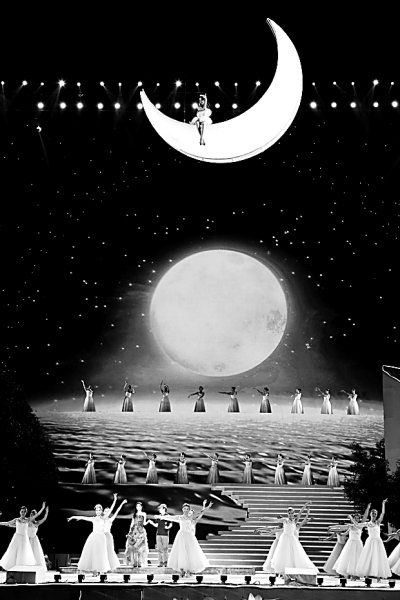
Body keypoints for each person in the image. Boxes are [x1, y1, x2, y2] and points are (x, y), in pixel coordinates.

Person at [155, 499, 212, 577]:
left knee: (189, 552)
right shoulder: (180, 517)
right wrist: (159, 516)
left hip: (189, 536)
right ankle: (182, 569)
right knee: (182, 552)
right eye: (185, 508)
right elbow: (170, 517)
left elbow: (201, 513)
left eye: (187, 509)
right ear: (182, 509)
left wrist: (207, 506)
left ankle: (188, 570)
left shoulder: (191, 517)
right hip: (181, 535)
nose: (186, 510)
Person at [260, 503, 317, 574]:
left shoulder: (295, 521)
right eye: (289, 513)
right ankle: (284, 572)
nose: (290, 515)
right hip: (285, 538)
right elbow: (275, 520)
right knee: (284, 554)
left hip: (292, 539)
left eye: (291, 513)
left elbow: (300, 512)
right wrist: (265, 518)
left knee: (294, 554)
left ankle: (293, 571)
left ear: (293, 513)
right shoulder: (285, 520)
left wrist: (305, 506)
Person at [0, 503, 46, 570]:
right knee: (12, 552)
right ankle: (13, 568)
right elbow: (7, 523)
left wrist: (42, 508)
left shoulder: (28, 520)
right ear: (20, 512)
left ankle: (21, 569)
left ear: (26, 512)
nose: (23, 513)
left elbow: (37, 514)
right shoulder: (16, 520)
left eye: (24, 512)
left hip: (24, 539)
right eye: (22, 511)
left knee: (23, 554)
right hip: (16, 537)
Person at [67, 504, 110, 575]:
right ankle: (95, 571)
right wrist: (73, 517)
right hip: (94, 537)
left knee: (101, 554)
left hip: (101, 537)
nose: (98, 512)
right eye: (96, 510)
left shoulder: (104, 518)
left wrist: (115, 499)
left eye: (99, 510)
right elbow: (83, 517)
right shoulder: (93, 519)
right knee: (94, 554)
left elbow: (111, 509)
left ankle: (101, 570)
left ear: (102, 511)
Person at [331, 504, 371, 579]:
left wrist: (367, 508)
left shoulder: (360, 525)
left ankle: (357, 574)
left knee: (358, 558)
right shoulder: (350, 526)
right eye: (355, 518)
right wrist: (337, 532)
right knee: (350, 558)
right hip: (351, 543)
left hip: (358, 543)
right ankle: (351, 574)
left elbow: (365, 517)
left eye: (358, 518)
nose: (356, 519)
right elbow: (344, 533)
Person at [355, 499, 391, 581]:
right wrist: (367, 508)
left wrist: (383, 504)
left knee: (378, 557)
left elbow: (383, 513)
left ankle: (378, 576)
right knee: (368, 557)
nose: (374, 514)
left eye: (375, 513)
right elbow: (359, 524)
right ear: (370, 514)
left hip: (378, 541)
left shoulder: (378, 522)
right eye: (373, 513)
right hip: (370, 541)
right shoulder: (368, 523)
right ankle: (367, 575)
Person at [102, 494, 127, 571]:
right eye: (105, 511)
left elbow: (117, 511)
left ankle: (108, 565)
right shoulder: (101, 519)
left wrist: (121, 503)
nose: (107, 512)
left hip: (108, 536)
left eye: (108, 511)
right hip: (101, 536)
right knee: (101, 551)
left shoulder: (110, 519)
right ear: (103, 512)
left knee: (109, 551)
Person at [125, 502, 149, 567]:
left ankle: (140, 562)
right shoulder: (134, 514)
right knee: (134, 547)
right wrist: (130, 532)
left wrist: (148, 522)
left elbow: (144, 523)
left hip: (141, 531)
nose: (138, 507)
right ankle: (135, 562)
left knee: (141, 547)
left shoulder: (144, 514)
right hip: (134, 531)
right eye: (137, 506)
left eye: (139, 506)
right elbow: (132, 523)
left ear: (141, 507)